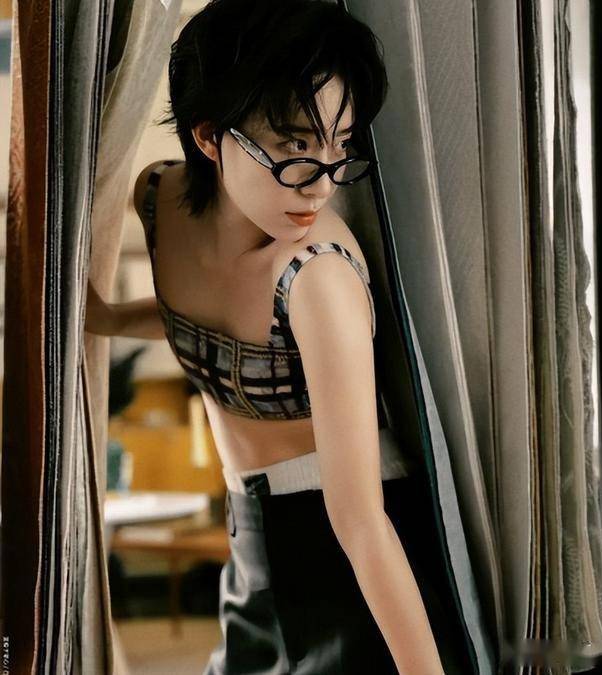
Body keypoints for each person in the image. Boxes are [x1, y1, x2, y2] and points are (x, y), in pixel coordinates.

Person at [85, 0, 452, 672]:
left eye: (341, 147)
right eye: (295, 148)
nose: (321, 185)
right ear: (209, 137)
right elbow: (199, 320)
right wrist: (108, 318)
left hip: (351, 553)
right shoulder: (157, 201)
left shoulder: (318, 277)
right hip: (251, 534)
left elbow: (361, 521)